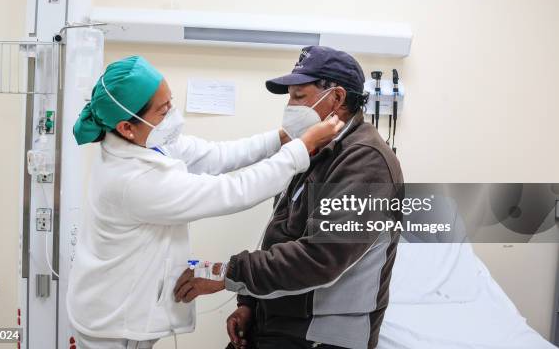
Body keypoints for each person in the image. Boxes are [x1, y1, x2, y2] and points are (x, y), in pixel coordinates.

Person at [65, 55, 343, 349]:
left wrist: (282, 137)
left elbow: (217, 155)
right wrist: (303, 146)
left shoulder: (147, 141)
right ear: (126, 127)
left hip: (126, 310)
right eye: (163, 110)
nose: (173, 114)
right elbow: (234, 190)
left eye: (170, 101)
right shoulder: (132, 179)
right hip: (112, 323)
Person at [173, 46, 404, 349]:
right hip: (280, 321)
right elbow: (282, 234)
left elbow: (320, 258)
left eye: (298, 96)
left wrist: (227, 273)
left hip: (321, 336)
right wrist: (250, 305)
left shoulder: (367, 163)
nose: (290, 106)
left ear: (336, 98)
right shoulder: (315, 149)